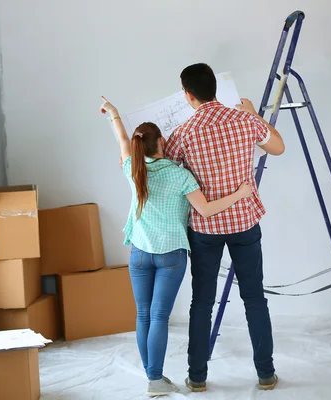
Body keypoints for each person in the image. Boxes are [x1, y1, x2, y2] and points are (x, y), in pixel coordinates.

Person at [100, 96, 254, 397]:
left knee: (143, 315)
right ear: (162, 143)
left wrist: (113, 114)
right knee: (158, 317)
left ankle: (152, 377)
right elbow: (207, 209)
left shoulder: (132, 167)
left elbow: (121, 137)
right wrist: (241, 193)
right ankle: (155, 381)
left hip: (139, 254)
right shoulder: (180, 175)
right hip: (171, 256)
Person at [164, 63, 286, 392]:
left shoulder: (183, 133)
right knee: (255, 298)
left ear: (188, 95)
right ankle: (265, 374)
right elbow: (278, 148)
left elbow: (166, 172)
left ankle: (199, 377)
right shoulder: (245, 120)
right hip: (245, 222)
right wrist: (255, 114)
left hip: (204, 227)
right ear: (215, 87)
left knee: (202, 302)